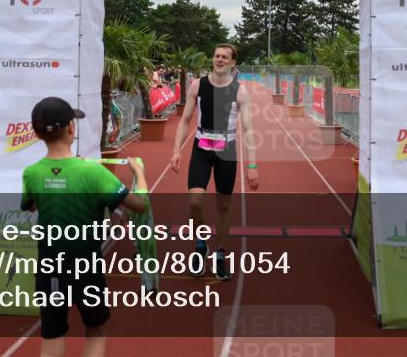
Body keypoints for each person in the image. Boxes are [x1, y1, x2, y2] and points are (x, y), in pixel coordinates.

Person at [21, 97, 148, 357]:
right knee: (96, 329)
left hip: (49, 268)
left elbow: (31, 206)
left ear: (36, 132)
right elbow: (140, 205)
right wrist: (139, 174)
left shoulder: (31, 173)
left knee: (52, 335)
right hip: (86, 269)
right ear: (71, 128)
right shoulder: (94, 173)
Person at [169, 43, 258, 281]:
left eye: (224, 57)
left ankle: (220, 252)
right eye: (216, 56)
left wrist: (252, 166)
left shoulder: (239, 92)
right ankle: (201, 245)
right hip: (201, 149)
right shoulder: (198, 86)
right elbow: (185, 120)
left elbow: (248, 130)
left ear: (232, 63)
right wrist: (176, 151)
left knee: (224, 206)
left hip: (226, 152)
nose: (219, 59)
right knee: (195, 202)